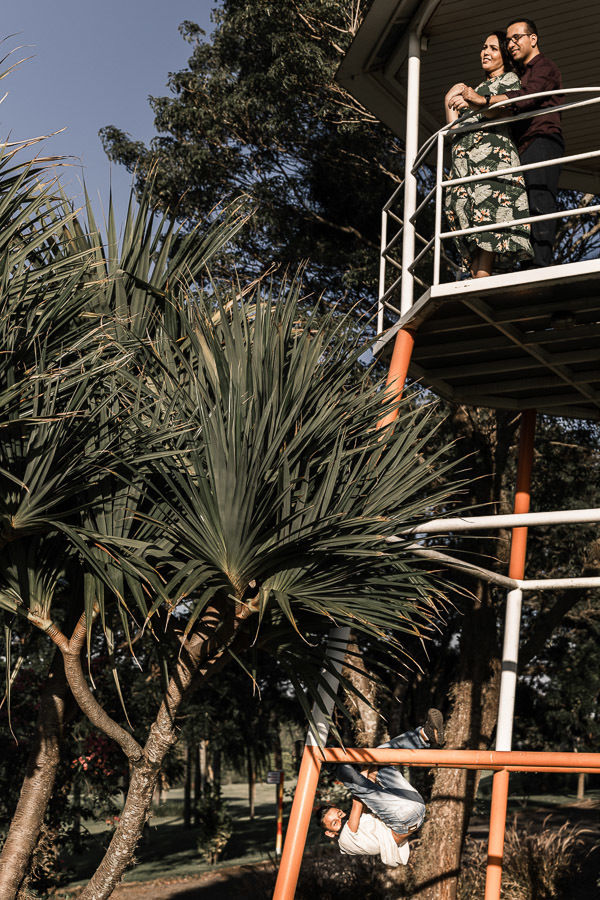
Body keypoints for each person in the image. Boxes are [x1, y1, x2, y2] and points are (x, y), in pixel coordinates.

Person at [457, 19, 564, 268]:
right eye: (509, 40)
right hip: (524, 146)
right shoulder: (520, 75)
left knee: (539, 200)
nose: (511, 44)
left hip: (542, 139)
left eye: (517, 37)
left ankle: (539, 266)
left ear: (533, 39)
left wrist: (484, 100)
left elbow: (527, 98)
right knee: (525, 204)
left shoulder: (544, 67)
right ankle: (527, 263)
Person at [444, 32, 533, 278]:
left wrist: (475, 103)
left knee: (489, 216)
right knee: (466, 216)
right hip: (464, 166)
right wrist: (448, 100)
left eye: (493, 48)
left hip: (491, 161)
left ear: (505, 56)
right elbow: (454, 133)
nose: (485, 52)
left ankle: (482, 275)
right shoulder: (478, 89)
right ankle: (476, 273)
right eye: (484, 47)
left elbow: (506, 112)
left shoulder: (509, 80)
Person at [316, 709, 445, 867]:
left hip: (413, 806)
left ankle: (425, 735)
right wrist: (366, 767)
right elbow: (359, 797)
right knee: (358, 783)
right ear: (330, 833)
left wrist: (372, 762)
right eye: (335, 823)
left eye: (340, 814)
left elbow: (369, 782)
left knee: (380, 755)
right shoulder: (345, 841)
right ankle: (327, 759)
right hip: (402, 818)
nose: (341, 819)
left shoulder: (360, 822)